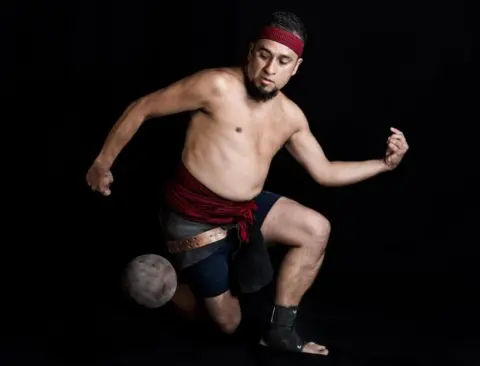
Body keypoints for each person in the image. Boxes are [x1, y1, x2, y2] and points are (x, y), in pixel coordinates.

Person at [86, 11, 409, 356]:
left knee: (316, 229)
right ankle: (153, 282)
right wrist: (102, 163)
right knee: (227, 324)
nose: (270, 69)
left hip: (243, 212)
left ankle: (280, 333)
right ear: (251, 51)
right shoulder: (216, 86)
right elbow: (143, 107)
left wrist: (384, 165)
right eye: (264, 55)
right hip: (194, 220)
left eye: (283, 61)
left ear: (295, 67)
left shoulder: (291, 117)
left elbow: (325, 172)